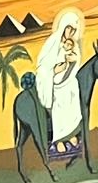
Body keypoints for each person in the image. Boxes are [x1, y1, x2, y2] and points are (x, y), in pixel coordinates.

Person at [35, 8, 84, 156]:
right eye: (69, 28)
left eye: (73, 30)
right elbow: (42, 67)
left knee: (73, 92)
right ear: (63, 26)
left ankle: (71, 134)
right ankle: (59, 139)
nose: (71, 32)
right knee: (60, 101)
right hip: (54, 83)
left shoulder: (73, 44)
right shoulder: (52, 42)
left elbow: (77, 61)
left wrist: (74, 60)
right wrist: (54, 71)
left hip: (68, 80)